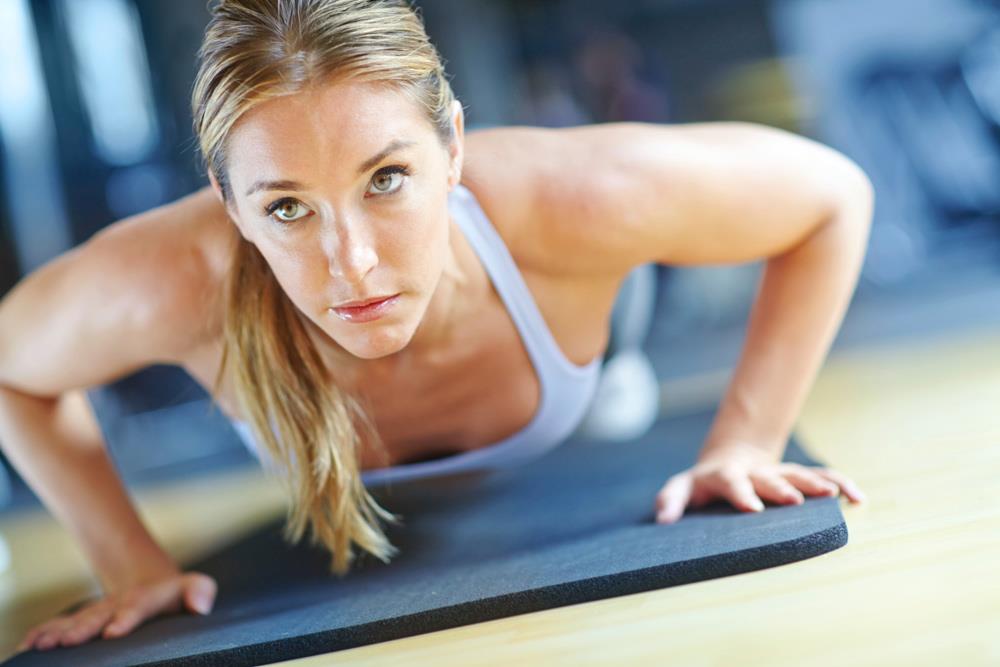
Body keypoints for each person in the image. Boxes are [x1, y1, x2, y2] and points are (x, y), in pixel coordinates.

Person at [0, 0, 871, 653]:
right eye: (289, 207)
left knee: (619, 407)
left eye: (385, 179)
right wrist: (128, 563)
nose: (354, 265)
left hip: (585, 357)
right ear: (229, 204)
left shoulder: (568, 195)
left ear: (453, 147)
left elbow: (832, 195)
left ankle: (612, 361)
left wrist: (749, 437)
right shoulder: (173, 279)